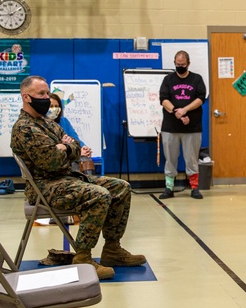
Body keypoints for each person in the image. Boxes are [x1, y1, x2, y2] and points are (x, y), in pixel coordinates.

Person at [12, 75, 146, 280]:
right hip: (46, 186)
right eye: (41, 94)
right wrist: (65, 148)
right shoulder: (25, 128)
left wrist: (64, 146)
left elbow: (75, 146)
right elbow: (52, 162)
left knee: (121, 187)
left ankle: (112, 249)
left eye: (47, 93)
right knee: (99, 195)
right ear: (26, 97)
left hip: (67, 178)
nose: (47, 98)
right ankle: (82, 257)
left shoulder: (47, 124)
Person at [158, 50, 207, 200]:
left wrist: (185, 110)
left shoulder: (197, 79)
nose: (180, 67)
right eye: (178, 64)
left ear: (188, 64)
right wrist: (176, 112)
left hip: (192, 128)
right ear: (174, 63)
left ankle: (194, 187)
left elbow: (200, 98)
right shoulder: (168, 79)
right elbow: (163, 99)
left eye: (183, 65)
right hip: (170, 127)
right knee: (170, 159)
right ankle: (169, 187)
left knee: (191, 158)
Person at [48, 92, 94, 174]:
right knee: (74, 161)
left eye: (56, 106)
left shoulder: (63, 121)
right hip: (57, 158)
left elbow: (74, 138)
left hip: (72, 152)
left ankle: (90, 183)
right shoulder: (41, 125)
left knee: (85, 159)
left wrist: (83, 148)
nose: (54, 109)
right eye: (51, 106)